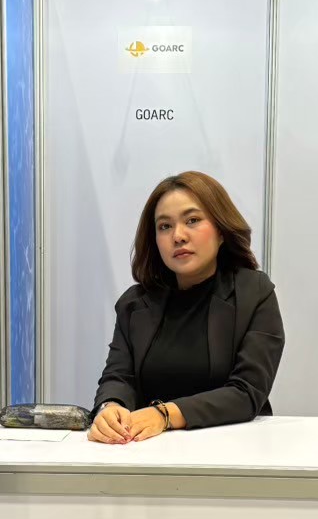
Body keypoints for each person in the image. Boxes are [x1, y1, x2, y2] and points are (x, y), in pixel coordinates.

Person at [89, 171, 285, 443]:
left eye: (192, 220)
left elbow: (247, 392)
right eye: (164, 226)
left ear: (220, 230)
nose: (178, 236)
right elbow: (118, 378)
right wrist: (110, 407)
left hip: (235, 449)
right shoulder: (134, 304)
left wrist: (164, 415)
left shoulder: (253, 293)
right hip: (147, 451)